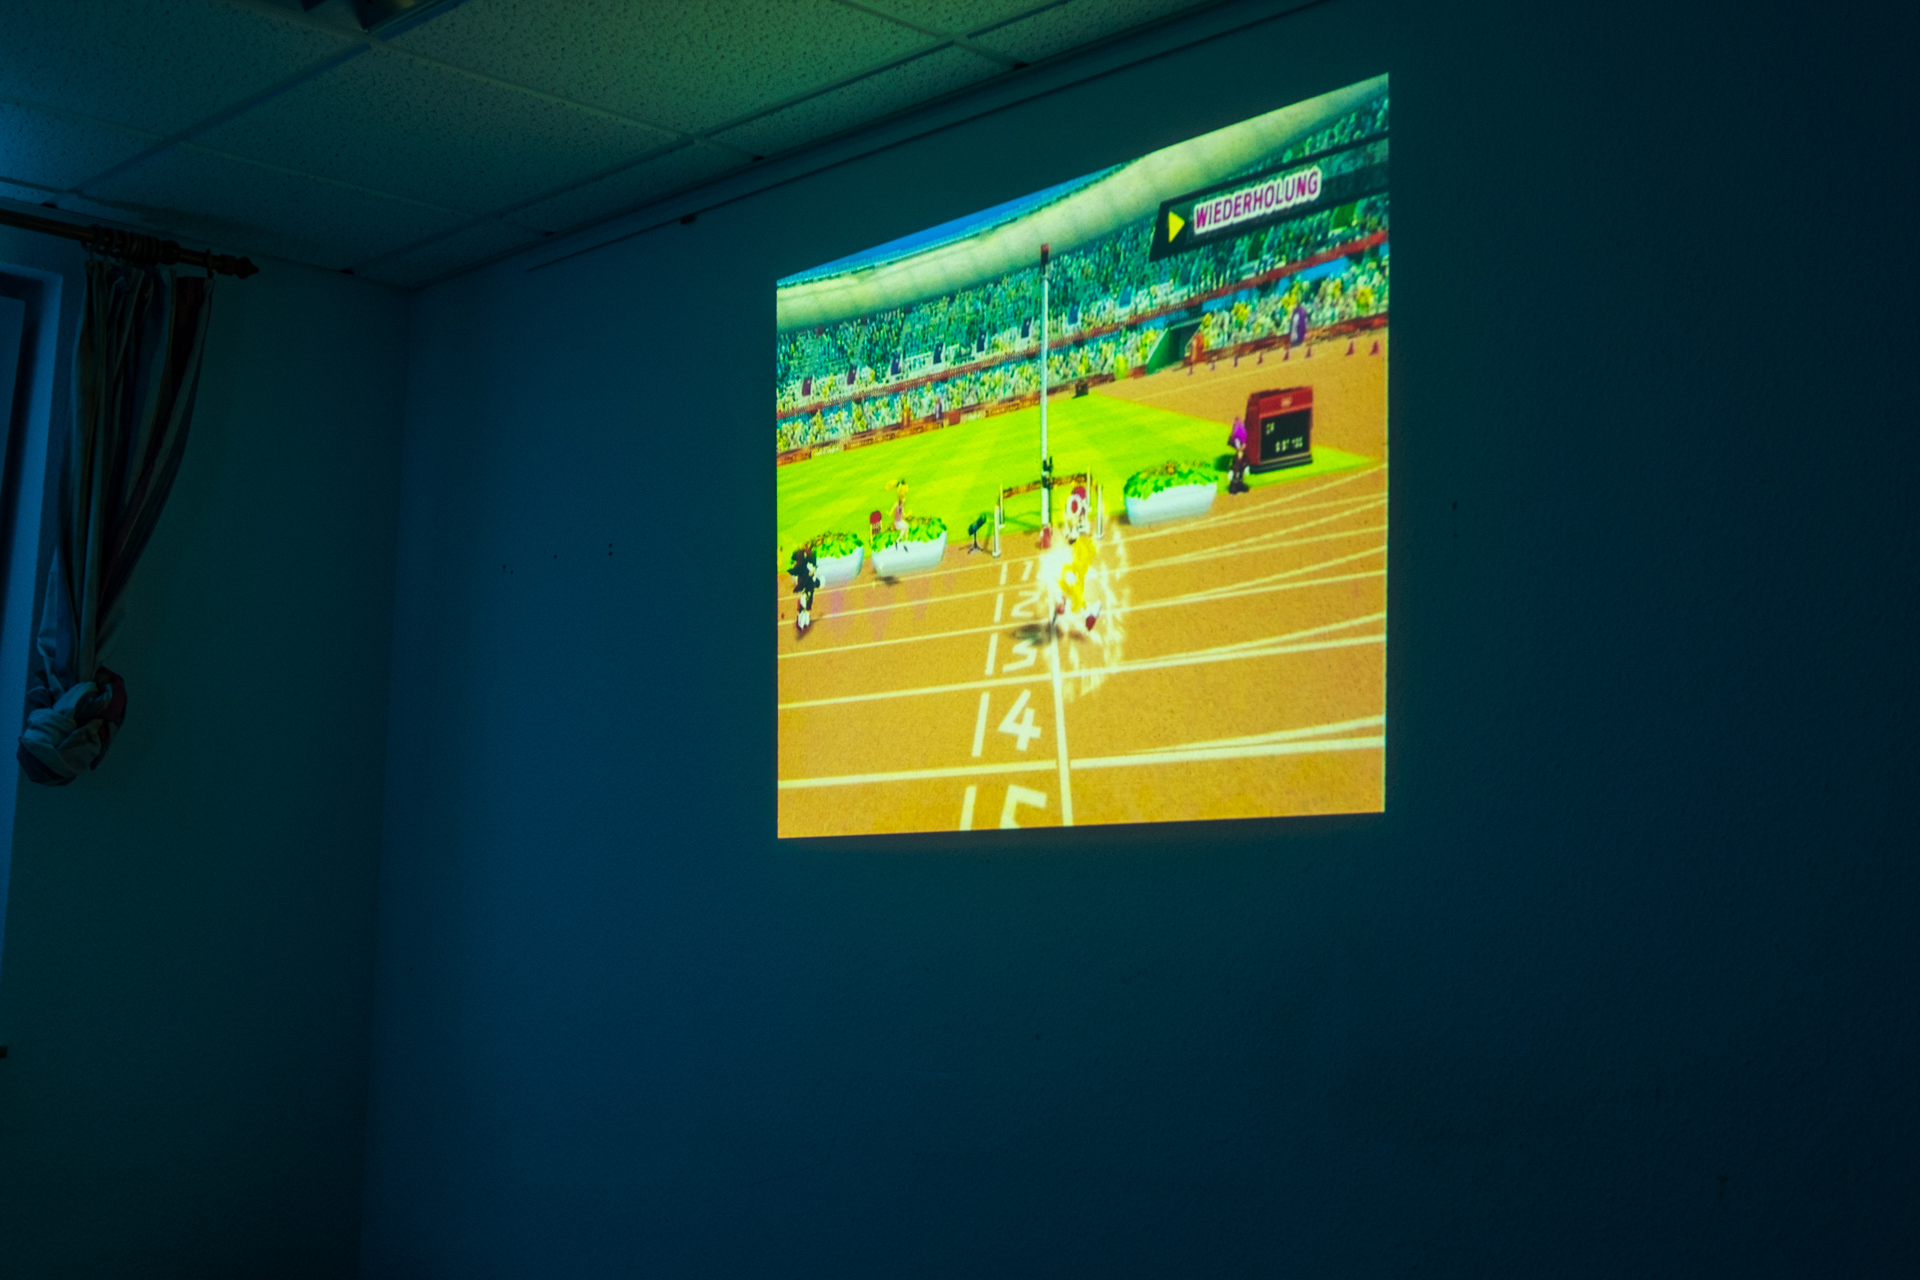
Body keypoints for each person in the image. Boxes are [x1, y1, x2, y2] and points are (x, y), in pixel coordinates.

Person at [789, 545, 820, 636]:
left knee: (805, 606)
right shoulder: (807, 568)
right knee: (805, 606)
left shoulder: (806, 569)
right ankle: (803, 623)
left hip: (806, 589)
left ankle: (804, 623)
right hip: (806, 589)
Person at [1228, 416, 1251, 493]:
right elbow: (1237, 443)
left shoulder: (1241, 431)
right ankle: (1234, 484)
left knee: (1242, 466)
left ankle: (1239, 483)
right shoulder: (1238, 432)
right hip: (1238, 450)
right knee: (1237, 466)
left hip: (1240, 449)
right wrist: (1240, 449)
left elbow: (1243, 442)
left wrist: (1242, 447)